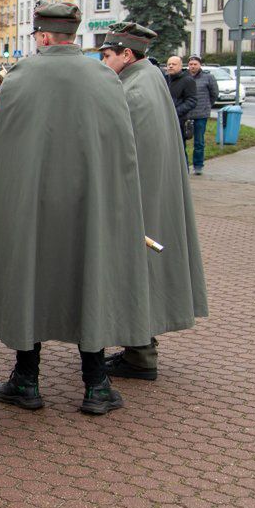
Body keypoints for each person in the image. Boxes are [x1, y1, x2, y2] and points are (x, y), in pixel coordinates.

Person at [0, 2, 152, 416]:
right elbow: (122, 150)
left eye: (36, 35)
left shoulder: (21, 76)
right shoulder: (104, 76)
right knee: (88, 279)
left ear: (45, 36)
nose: (35, 40)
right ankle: (96, 385)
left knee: (29, 281)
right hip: (87, 205)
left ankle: (26, 379)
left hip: (31, 206)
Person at [99, 23, 208, 380]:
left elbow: (121, 154)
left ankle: (140, 355)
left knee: (137, 271)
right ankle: (139, 350)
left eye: (107, 55)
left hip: (139, 202)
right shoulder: (148, 78)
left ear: (126, 54)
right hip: (153, 196)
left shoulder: (134, 91)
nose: (103, 61)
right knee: (143, 270)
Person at [186, 55, 219, 175]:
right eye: (191, 64)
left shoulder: (208, 77)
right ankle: (185, 165)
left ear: (200, 65)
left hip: (201, 114)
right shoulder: (185, 77)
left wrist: (207, 105)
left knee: (199, 142)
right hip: (187, 114)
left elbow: (214, 93)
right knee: (183, 141)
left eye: (195, 64)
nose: (193, 66)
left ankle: (198, 165)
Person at [165, 56, 197, 167]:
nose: (170, 66)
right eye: (169, 64)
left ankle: (184, 174)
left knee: (180, 150)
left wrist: (176, 111)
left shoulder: (187, 80)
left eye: (174, 64)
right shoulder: (165, 79)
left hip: (179, 121)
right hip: (164, 120)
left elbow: (192, 101)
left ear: (180, 66)